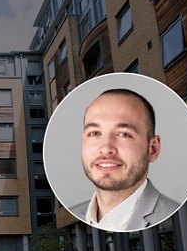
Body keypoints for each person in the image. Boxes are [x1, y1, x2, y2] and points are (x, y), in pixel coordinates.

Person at [69, 88, 179, 232]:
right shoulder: (77, 213)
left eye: (123, 134)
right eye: (94, 133)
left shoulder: (171, 213)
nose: (106, 148)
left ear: (152, 149)